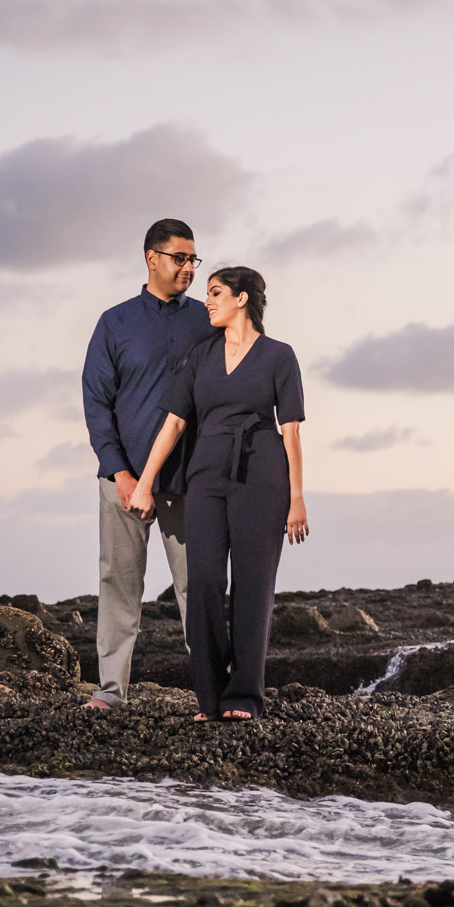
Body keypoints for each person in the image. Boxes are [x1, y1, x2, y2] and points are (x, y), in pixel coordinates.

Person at [129, 266, 309, 721]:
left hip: (262, 475)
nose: (206, 301)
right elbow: (173, 423)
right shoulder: (201, 355)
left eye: (215, 293)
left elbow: (290, 433)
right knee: (205, 582)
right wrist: (146, 482)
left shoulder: (279, 356)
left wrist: (297, 498)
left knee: (254, 587)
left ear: (242, 299)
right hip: (206, 476)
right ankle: (210, 698)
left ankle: (245, 696)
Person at [79, 219, 212, 710]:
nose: (189, 269)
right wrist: (121, 474)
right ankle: (112, 692)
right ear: (152, 259)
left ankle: (211, 693)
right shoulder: (114, 323)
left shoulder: (207, 320)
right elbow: (97, 404)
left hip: (189, 480)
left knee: (197, 588)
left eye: (194, 260)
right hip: (123, 480)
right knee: (118, 583)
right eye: (180, 258)